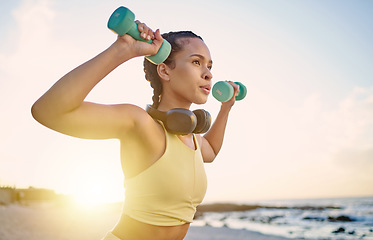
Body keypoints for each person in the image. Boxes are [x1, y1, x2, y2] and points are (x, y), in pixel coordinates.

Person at [31, 19, 239, 240]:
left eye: (209, 65)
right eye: (197, 62)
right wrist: (123, 50)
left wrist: (226, 107)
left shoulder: (193, 137)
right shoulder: (139, 123)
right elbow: (48, 111)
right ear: (165, 71)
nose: (208, 74)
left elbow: (212, 151)